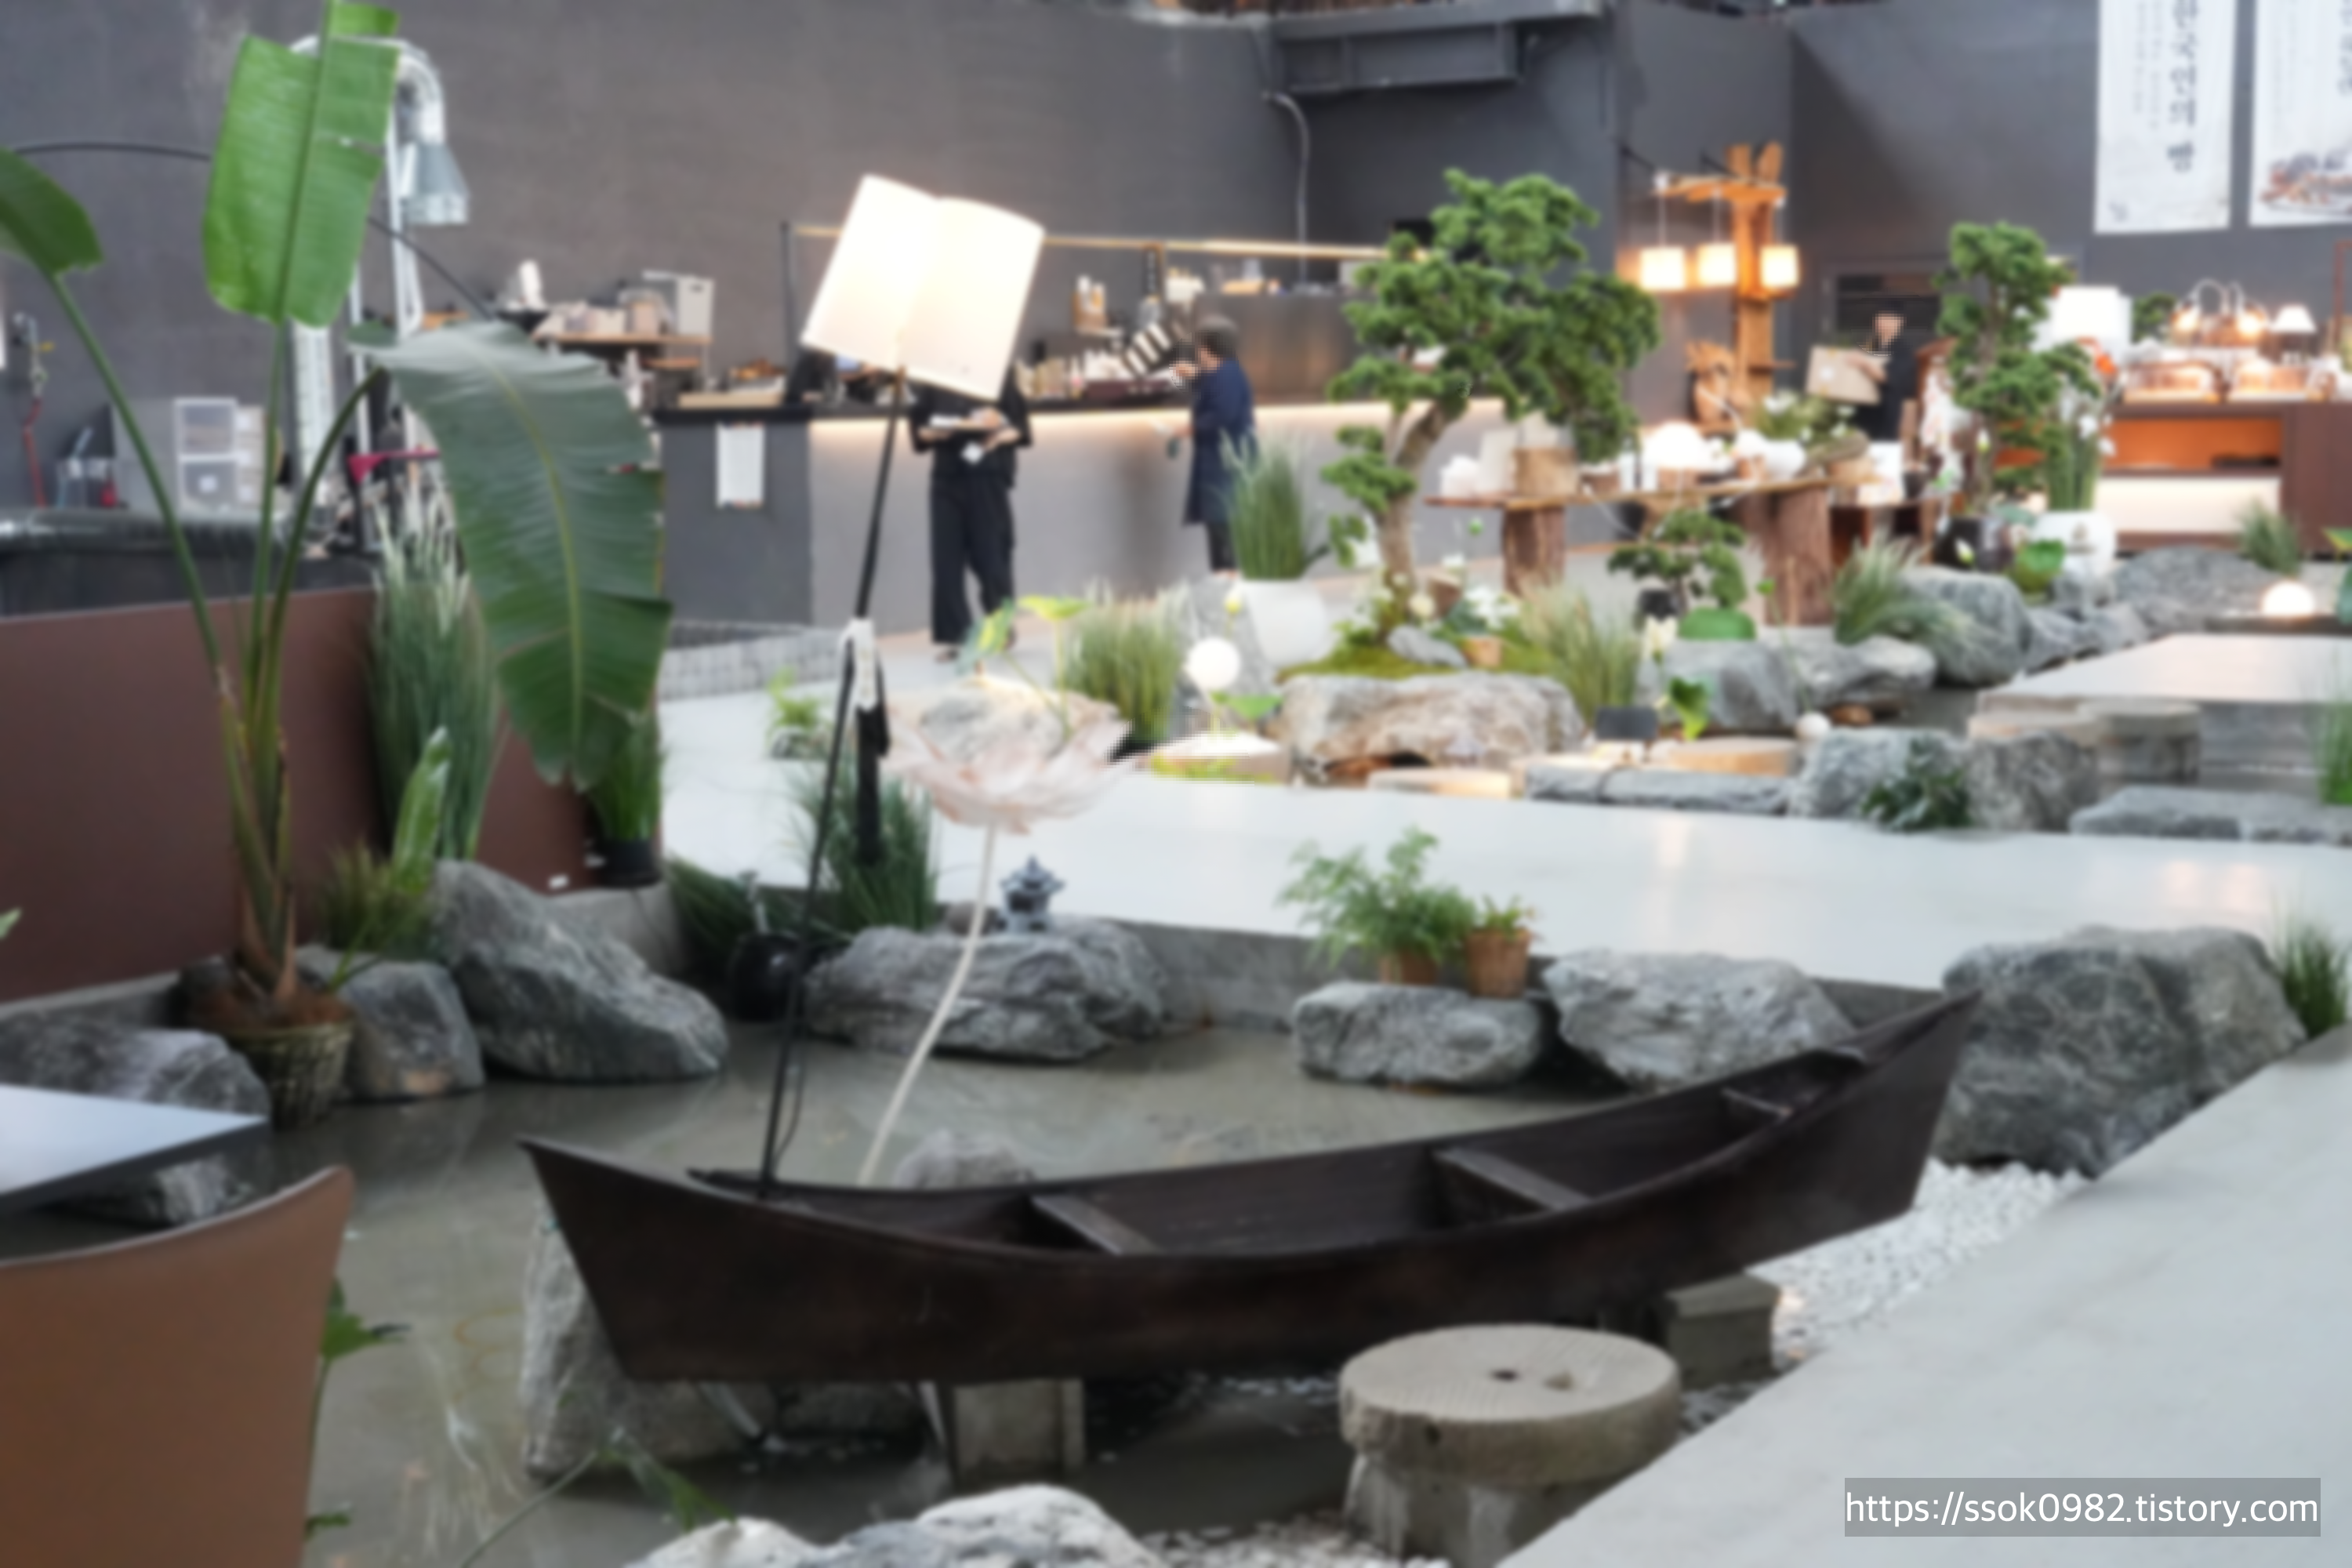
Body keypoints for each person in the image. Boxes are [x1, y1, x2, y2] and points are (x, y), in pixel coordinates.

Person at [909, 368, 1032, 656]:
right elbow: (919, 432)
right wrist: (936, 432)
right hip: (946, 475)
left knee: (991, 555)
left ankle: (1000, 627)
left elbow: (1020, 428)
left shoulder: (998, 371)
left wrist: (997, 437)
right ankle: (957, 637)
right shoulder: (933, 376)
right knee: (945, 562)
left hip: (987, 473)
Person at [1174, 316, 1256, 574]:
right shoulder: (1218, 374)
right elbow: (1181, 388)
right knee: (1218, 527)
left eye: (1199, 344)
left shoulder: (1227, 375)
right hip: (1217, 464)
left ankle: (1228, 581)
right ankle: (1223, 580)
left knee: (1224, 527)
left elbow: (1223, 414)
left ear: (1207, 345)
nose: (1196, 350)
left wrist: (1190, 429)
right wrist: (1183, 374)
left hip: (1226, 466)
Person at [1855, 310, 1921, 447]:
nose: (1881, 322)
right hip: (1865, 411)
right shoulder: (1870, 345)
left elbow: (1886, 376)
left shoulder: (1903, 350)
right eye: (1879, 318)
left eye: (1887, 318)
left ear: (1899, 323)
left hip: (1889, 412)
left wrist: (1864, 363)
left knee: (1883, 449)